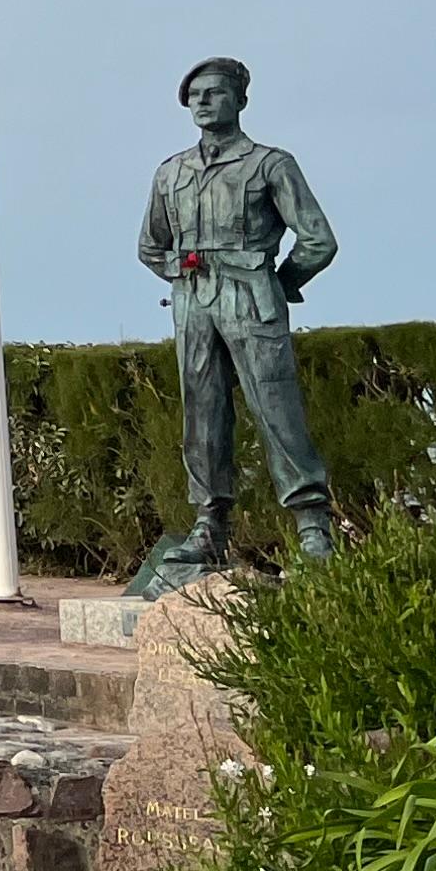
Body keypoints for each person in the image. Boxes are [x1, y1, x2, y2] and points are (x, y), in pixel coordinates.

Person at [136, 56, 340, 565]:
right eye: (196, 95)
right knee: (201, 414)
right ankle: (209, 524)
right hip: (192, 303)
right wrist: (182, 276)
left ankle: (313, 525)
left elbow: (318, 240)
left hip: (252, 296)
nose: (203, 102)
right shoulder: (171, 172)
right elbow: (150, 246)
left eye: (215, 92)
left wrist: (277, 282)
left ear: (241, 100)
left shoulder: (270, 164)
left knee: (277, 409)